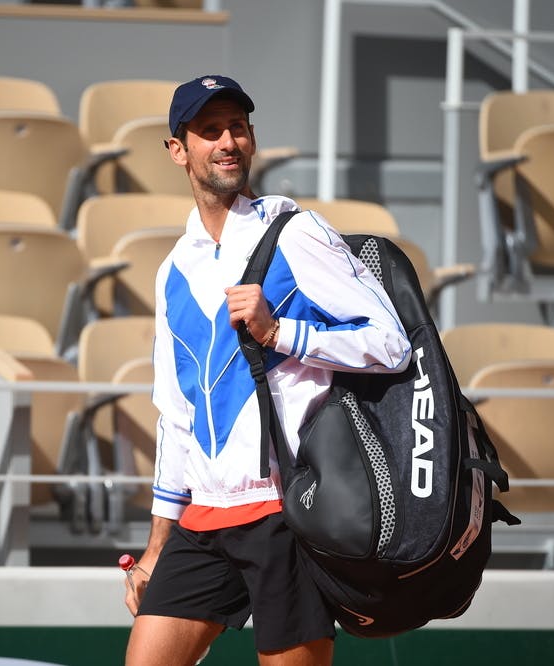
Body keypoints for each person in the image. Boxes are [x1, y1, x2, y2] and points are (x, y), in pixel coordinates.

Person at [123, 74, 412, 666]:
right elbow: (176, 416)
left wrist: (282, 333)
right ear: (178, 150)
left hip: (286, 512)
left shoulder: (296, 234)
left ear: (252, 140)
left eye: (238, 127)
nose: (227, 140)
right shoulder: (172, 269)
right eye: (209, 131)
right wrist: (157, 546)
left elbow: (392, 344)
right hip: (202, 520)